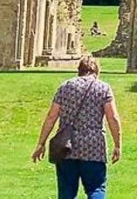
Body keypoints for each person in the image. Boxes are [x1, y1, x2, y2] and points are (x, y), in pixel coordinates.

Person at [32, 54, 122, 199]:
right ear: (96, 71)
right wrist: (117, 144)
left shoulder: (66, 86)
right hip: (94, 147)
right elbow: (113, 117)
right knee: (96, 188)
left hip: (66, 147)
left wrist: (41, 143)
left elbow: (51, 116)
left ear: (79, 70)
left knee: (67, 191)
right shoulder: (103, 88)